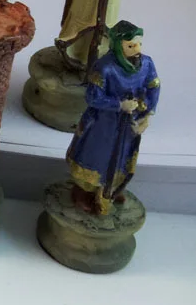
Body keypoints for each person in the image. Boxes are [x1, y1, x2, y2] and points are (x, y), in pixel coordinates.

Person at [67, 20, 159, 215]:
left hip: (130, 124)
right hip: (103, 124)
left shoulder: (147, 64)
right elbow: (92, 97)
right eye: (131, 45)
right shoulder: (105, 67)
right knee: (96, 155)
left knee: (122, 156)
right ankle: (85, 190)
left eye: (139, 44)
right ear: (118, 45)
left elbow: (153, 87)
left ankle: (111, 188)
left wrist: (147, 114)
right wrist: (119, 104)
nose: (137, 49)